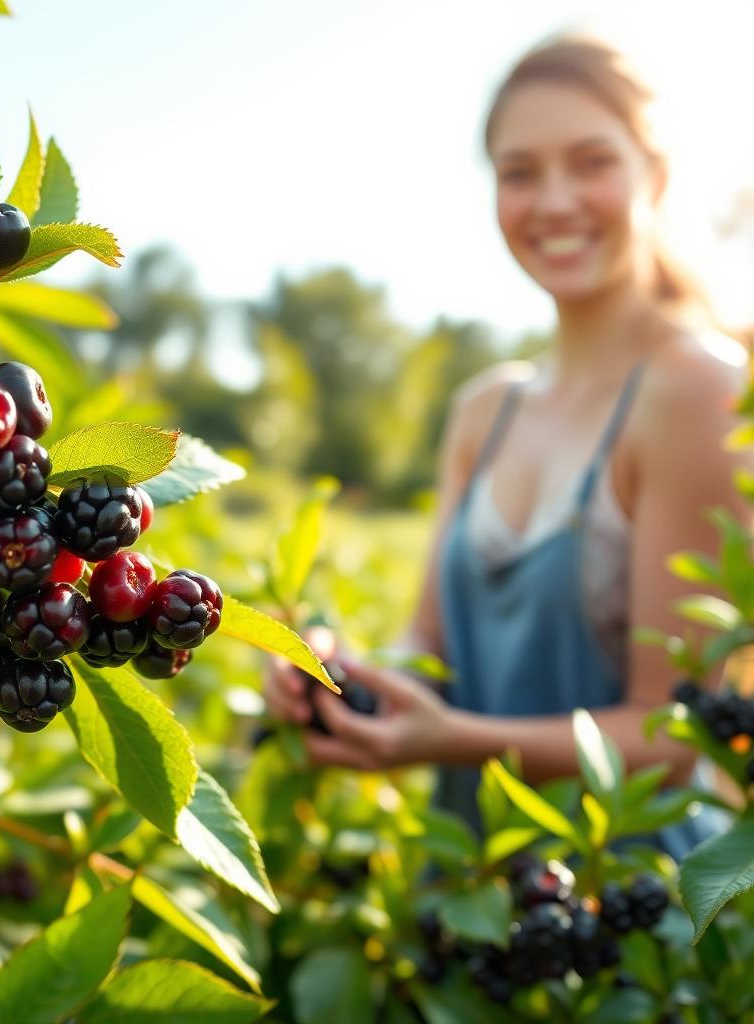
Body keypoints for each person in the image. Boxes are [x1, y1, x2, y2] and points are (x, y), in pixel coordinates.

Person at [263, 33, 752, 855]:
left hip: (628, 920)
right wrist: (340, 677)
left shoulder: (697, 388)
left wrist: (453, 741)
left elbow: (677, 737)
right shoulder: (485, 407)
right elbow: (431, 647)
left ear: (655, 175)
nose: (554, 201)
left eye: (591, 161)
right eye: (520, 172)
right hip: (472, 895)